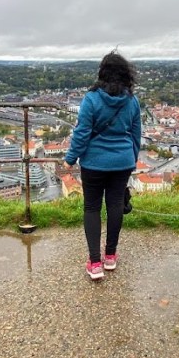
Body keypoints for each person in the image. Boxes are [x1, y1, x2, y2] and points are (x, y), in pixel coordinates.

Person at [63, 51, 142, 281]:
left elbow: (82, 133)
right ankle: (110, 257)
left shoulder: (91, 99)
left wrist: (70, 159)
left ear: (102, 73)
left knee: (92, 208)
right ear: (126, 75)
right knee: (116, 205)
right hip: (122, 161)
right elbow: (136, 134)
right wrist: (131, 158)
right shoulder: (132, 101)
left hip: (94, 162)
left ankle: (94, 263)